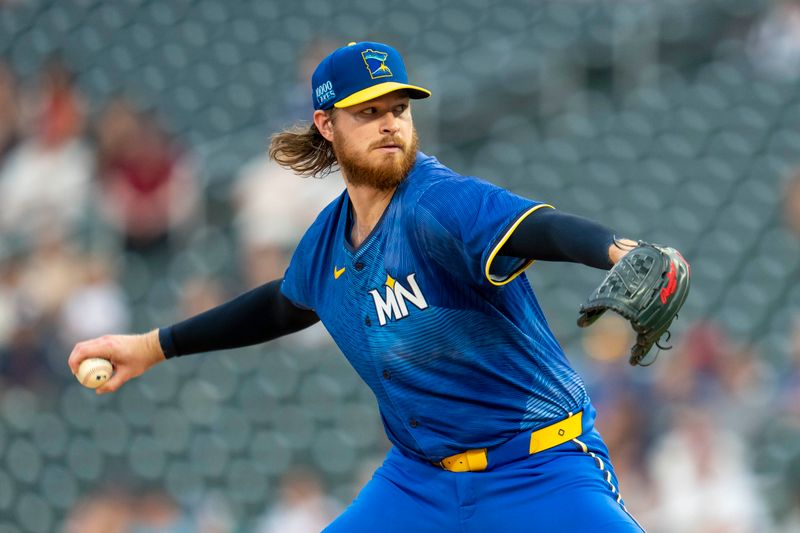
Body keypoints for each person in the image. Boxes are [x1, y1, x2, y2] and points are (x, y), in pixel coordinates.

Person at [69, 41, 657, 531]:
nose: (389, 124)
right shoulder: (328, 242)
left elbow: (538, 228)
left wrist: (613, 249)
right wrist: (149, 347)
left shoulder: (438, 202)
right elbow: (280, 306)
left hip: (537, 468)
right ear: (326, 125)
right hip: (419, 483)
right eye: (367, 112)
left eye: (398, 109)